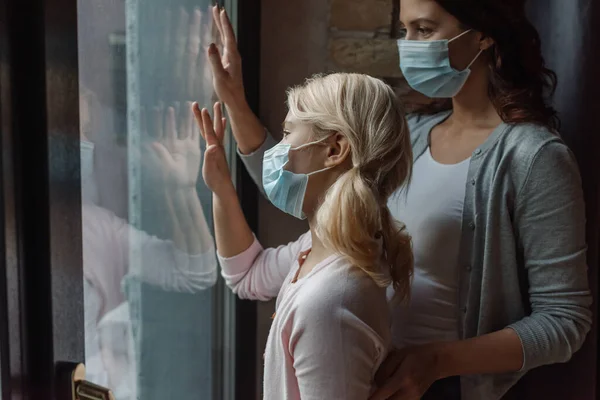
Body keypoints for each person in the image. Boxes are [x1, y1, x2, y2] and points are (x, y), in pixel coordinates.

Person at [206, 2, 593, 399]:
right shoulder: (411, 133)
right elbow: (308, 178)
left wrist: (437, 360)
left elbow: (565, 321)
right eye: (405, 31)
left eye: (425, 30)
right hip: (357, 369)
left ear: (484, 33)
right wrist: (235, 104)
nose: (409, 46)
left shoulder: (534, 157)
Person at [192, 73, 414, 399]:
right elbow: (247, 275)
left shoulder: (327, 303)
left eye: (286, 133)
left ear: (335, 149)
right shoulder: (321, 247)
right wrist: (222, 189)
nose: (277, 150)